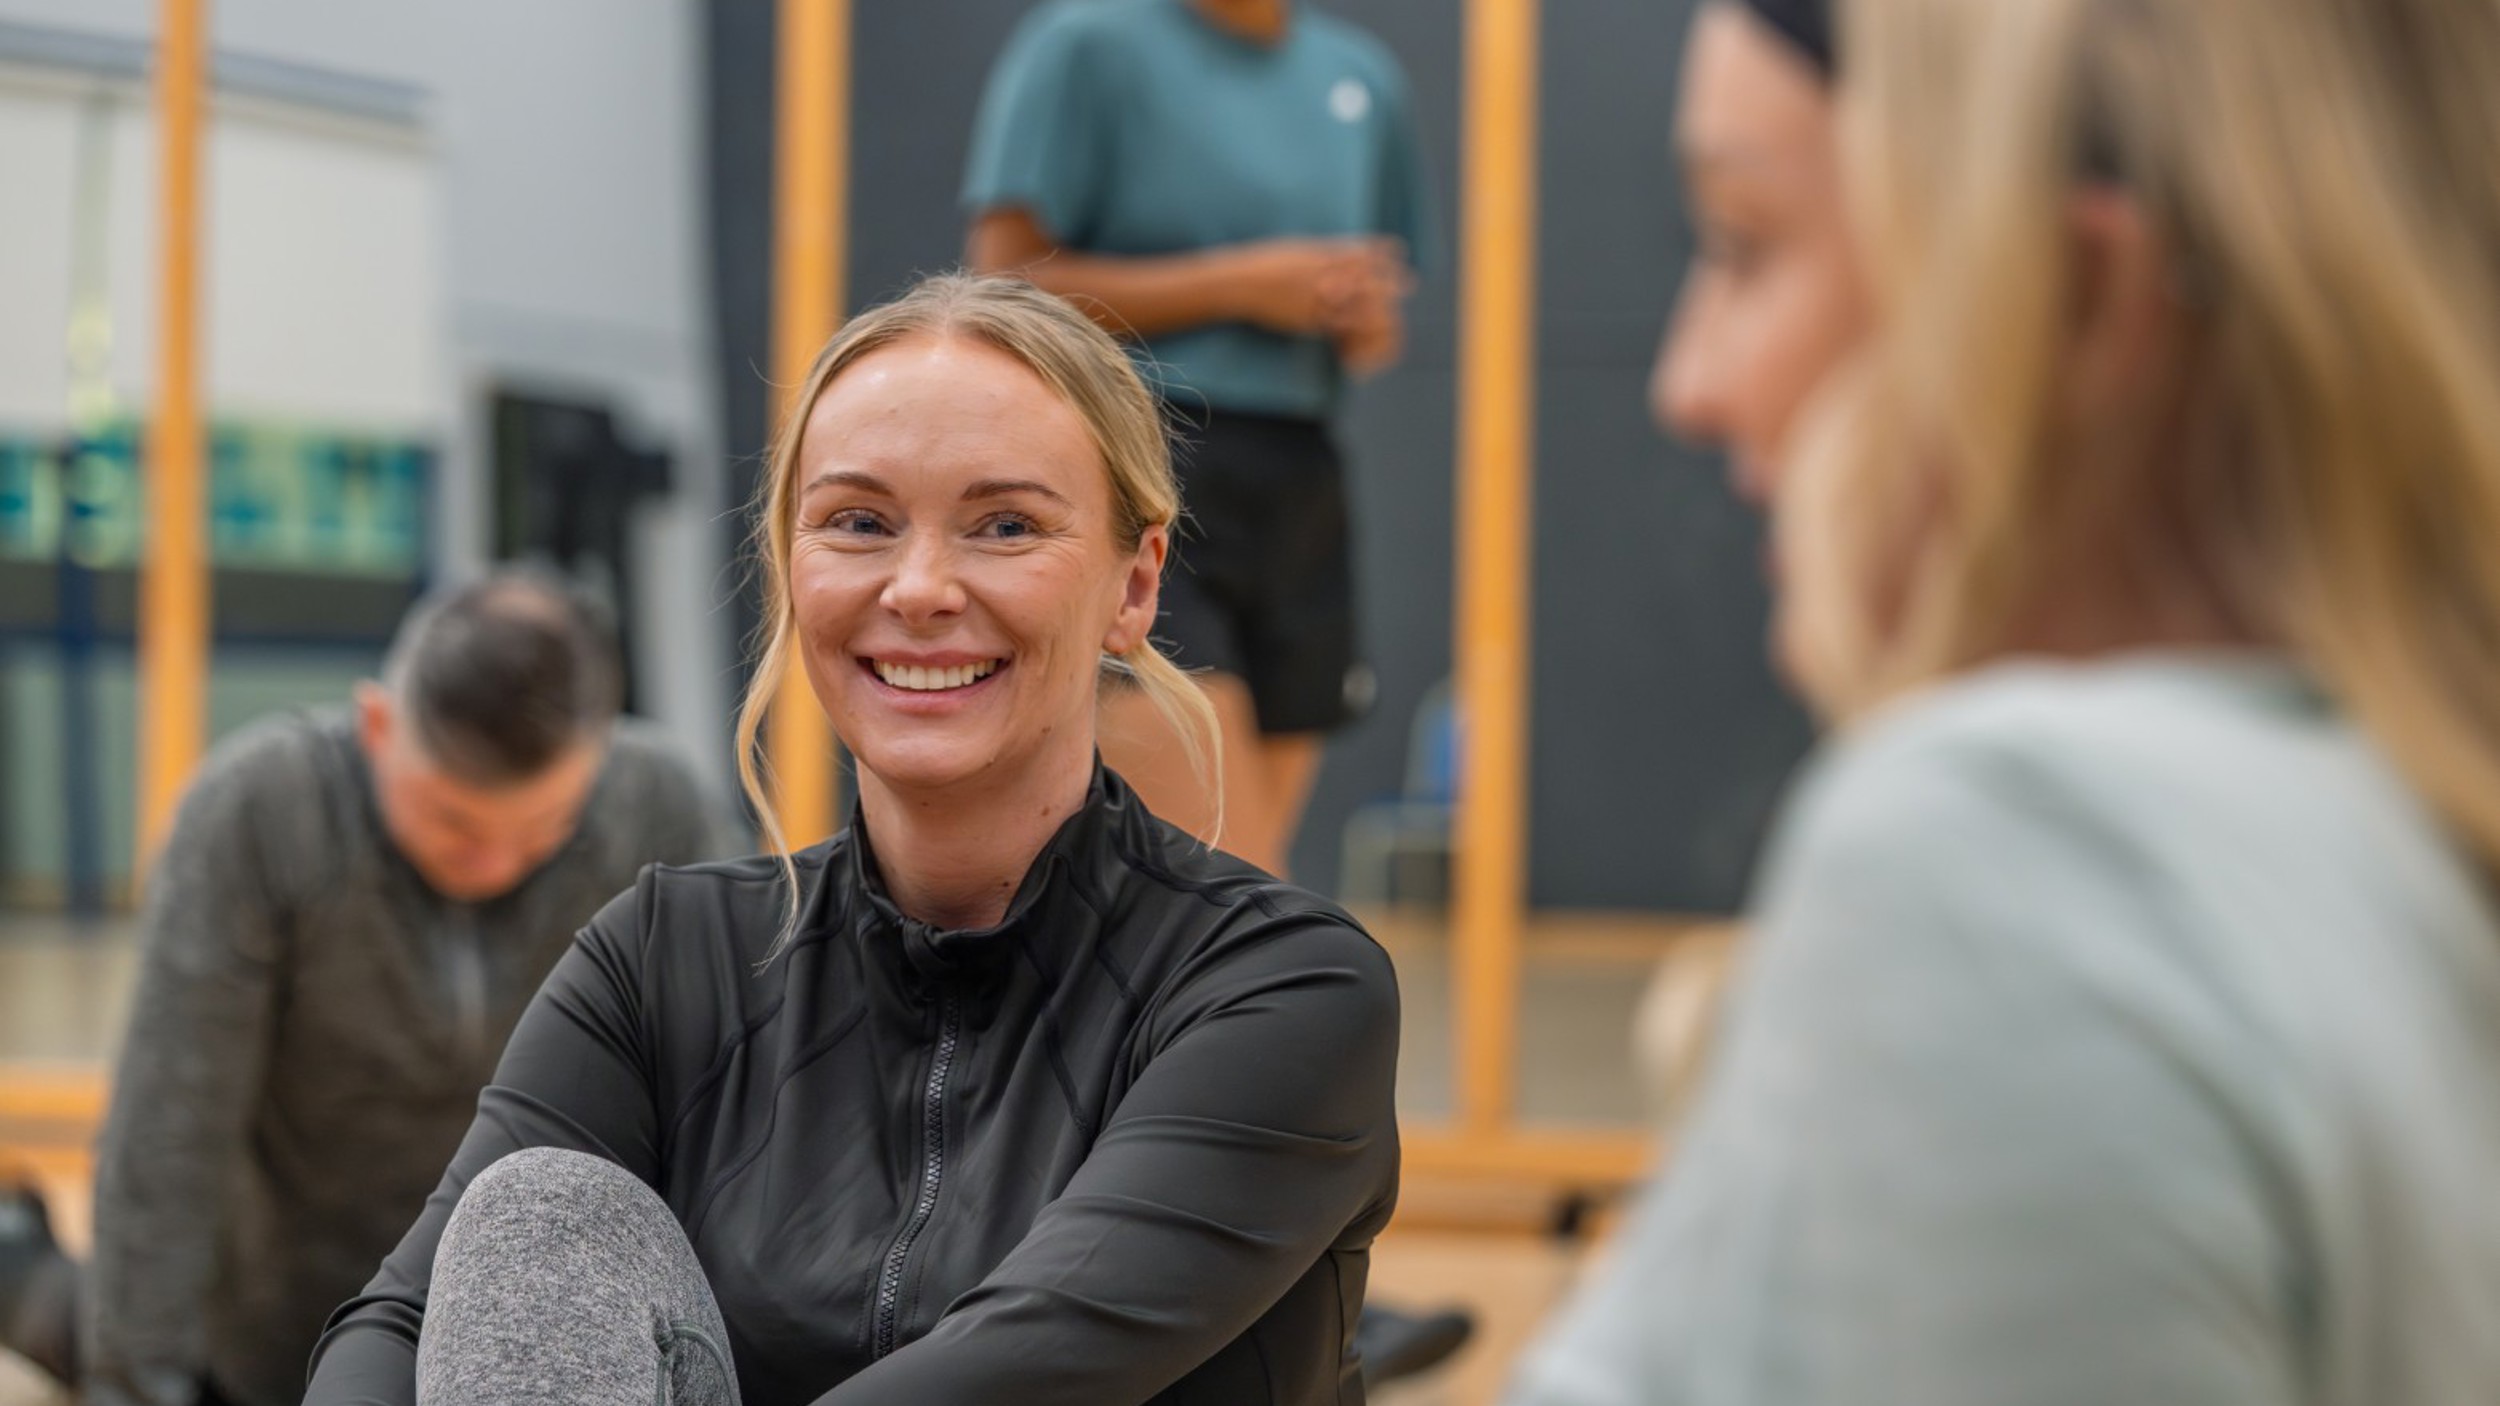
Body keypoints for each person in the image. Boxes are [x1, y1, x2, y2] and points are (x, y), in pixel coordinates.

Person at [1509, 0, 2500, 1401]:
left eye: (1747, 245)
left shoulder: (2027, 860)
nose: (1692, 379)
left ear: (2076, 295)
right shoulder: (2393, 852)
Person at [302, 274, 1402, 1406]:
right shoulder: (665, 954)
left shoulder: (1284, 989)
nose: (919, 587)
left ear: (1134, 583)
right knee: (541, 1215)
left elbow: (1017, 1373)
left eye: (1006, 525)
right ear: (791, 568)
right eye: (859, 523)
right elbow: (401, 1321)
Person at [54, 569, 741, 1406]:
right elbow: (167, 1138)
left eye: (540, 831)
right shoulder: (262, 814)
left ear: (599, 760)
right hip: (277, 1338)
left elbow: (721, 1121)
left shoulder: (655, 808)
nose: (492, 863)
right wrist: (133, 1385)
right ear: (377, 724)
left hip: (542, 1350)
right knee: (69, 1311)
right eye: (453, 823)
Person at [961, 0, 1438, 879]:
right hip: (1139, 461)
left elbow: (1380, 324)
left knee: (1222, 890)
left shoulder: (1360, 76)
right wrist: (1242, 284)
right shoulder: (1088, 46)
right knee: (1230, 888)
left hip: (1297, 477)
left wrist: (1352, 314)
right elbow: (1002, 280)